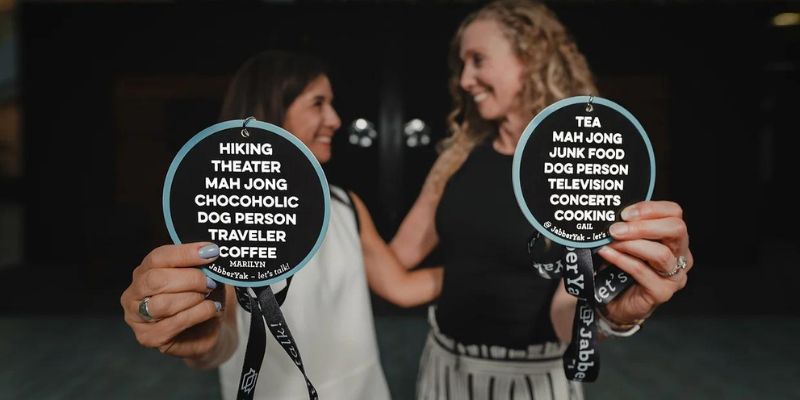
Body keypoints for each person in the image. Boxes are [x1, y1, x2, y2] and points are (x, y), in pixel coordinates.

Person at [385, 1, 694, 399]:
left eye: (478, 60)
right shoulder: (457, 157)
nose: (465, 80)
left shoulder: (580, 162)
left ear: (529, 58)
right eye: (462, 65)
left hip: (534, 380)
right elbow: (398, 259)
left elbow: (568, 314)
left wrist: (612, 316)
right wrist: (339, 210)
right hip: (442, 369)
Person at [119, 50, 441, 400]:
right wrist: (198, 342)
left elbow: (401, 287)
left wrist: (487, 269)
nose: (335, 119)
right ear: (270, 109)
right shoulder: (225, 216)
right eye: (318, 103)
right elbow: (219, 343)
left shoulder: (345, 204)